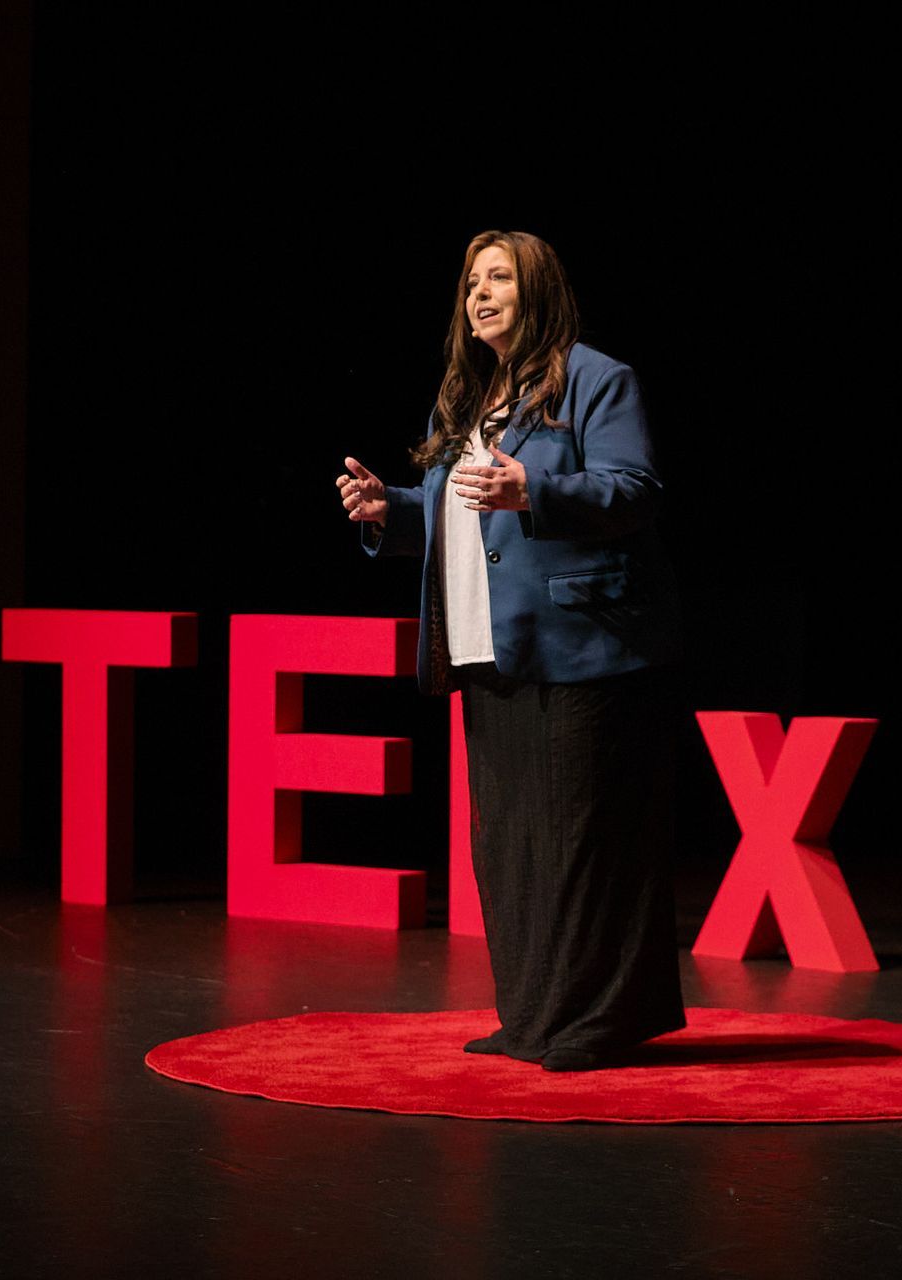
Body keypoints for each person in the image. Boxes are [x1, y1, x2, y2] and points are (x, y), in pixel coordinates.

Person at [335, 230, 685, 1072]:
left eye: (501, 278)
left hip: (583, 647)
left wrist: (537, 489)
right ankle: (532, 1018)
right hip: (491, 647)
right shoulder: (469, 400)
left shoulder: (598, 380)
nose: (480, 294)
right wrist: (392, 511)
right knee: (511, 847)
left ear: (541, 292)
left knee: (576, 844)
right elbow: (457, 510)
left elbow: (633, 490)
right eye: (471, 282)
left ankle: (592, 1023)